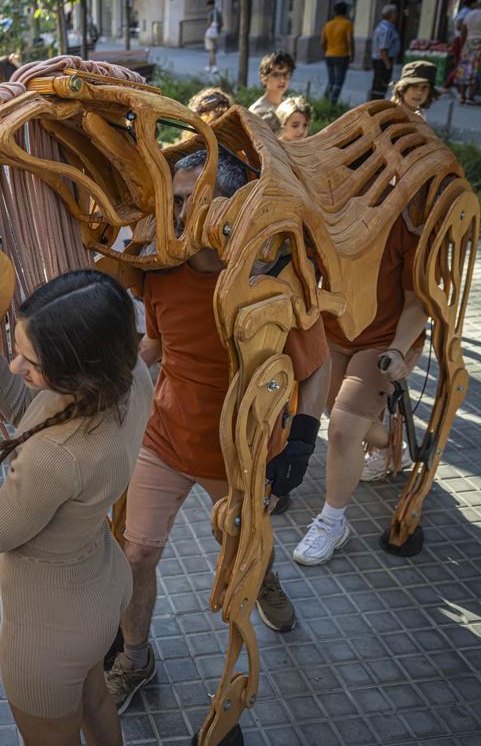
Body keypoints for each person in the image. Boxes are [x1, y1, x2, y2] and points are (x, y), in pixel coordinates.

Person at [105, 149, 331, 713]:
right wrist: (105, 377)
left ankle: (266, 576)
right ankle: (135, 657)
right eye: (174, 199)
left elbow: (317, 366)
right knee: (135, 555)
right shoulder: (161, 272)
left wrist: (301, 439)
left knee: (240, 557)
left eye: (187, 199)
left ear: (230, 203)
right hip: (165, 438)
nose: (176, 213)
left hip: (240, 454)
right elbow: (156, 346)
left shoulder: (271, 280)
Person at [0, 270, 153, 744]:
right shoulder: (128, 376)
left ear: (76, 367)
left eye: (30, 361)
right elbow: (35, 412)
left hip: (47, 627)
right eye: (14, 348)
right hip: (99, 587)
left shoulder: (56, 456)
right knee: (96, 701)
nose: (18, 366)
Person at [293, 213, 428, 566]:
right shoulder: (320, 217)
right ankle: (389, 441)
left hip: (383, 343)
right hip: (333, 336)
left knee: (342, 426)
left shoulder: (400, 227)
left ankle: (332, 522)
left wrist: (398, 349)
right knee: (337, 412)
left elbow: (418, 303)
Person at [249, 52, 295, 134]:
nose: (282, 80)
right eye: (276, 75)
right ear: (263, 78)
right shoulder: (257, 111)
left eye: (286, 74)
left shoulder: (290, 106)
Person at [321, 1, 355, 102]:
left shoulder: (328, 25)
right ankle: (333, 103)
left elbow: (322, 42)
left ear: (334, 12)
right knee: (338, 82)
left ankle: (325, 101)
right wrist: (352, 54)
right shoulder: (347, 24)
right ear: (345, 11)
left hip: (329, 55)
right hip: (341, 56)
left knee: (331, 81)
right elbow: (350, 40)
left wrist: (326, 52)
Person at [444, 0, 479, 91]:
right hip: (461, 40)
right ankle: (449, 84)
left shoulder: (467, 11)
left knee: (462, 64)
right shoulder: (466, 12)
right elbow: (459, 26)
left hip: (462, 40)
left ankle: (454, 85)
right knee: (461, 64)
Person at [370, 4, 402, 101]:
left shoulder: (384, 27)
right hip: (383, 61)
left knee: (379, 83)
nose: (397, 16)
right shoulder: (386, 29)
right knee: (381, 84)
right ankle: (376, 103)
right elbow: (383, 49)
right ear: (391, 15)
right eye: (396, 14)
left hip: (381, 60)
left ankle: (376, 102)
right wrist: (387, 64)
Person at [204, 0, 223, 74]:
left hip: (210, 34)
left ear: (211, 5)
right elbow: (222, 23)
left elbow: (208, 23)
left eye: (208, 6)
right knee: (212, 50)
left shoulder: (210, 13)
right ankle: (209, 66)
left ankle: (214, 67)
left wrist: (208, 26)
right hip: (216, 33)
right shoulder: (218, 13)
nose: (207, 8)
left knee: (211, 51)